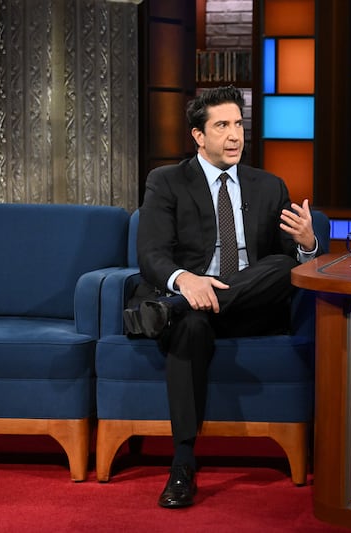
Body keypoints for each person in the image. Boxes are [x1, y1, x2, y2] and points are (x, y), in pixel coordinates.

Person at [122, 86, 323, 508]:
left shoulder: (269, 186)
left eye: (238, 125)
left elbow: (291, 265)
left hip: (248, 309)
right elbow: (151, 254)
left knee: (283, 268)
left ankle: (170, 311)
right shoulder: (168, 182)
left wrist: (307, 243)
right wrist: (185, 281)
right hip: (192, 307)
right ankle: (182, 465)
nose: (235, 136)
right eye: (222, 126)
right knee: (191, 325)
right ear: (198, 135)